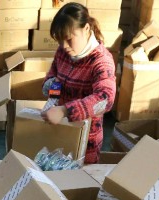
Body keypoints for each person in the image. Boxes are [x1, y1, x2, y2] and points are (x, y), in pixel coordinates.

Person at [41, 3, 116, 164]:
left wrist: (64, 110)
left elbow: (105, 99)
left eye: (69, 39)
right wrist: (51, 95)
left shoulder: (101, 61)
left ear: (87, 29)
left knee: (76, 184)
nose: (64, 46)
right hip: (59, 131)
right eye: (60, 41)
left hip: (85, 139)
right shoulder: (63, 52)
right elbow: (54, 77)